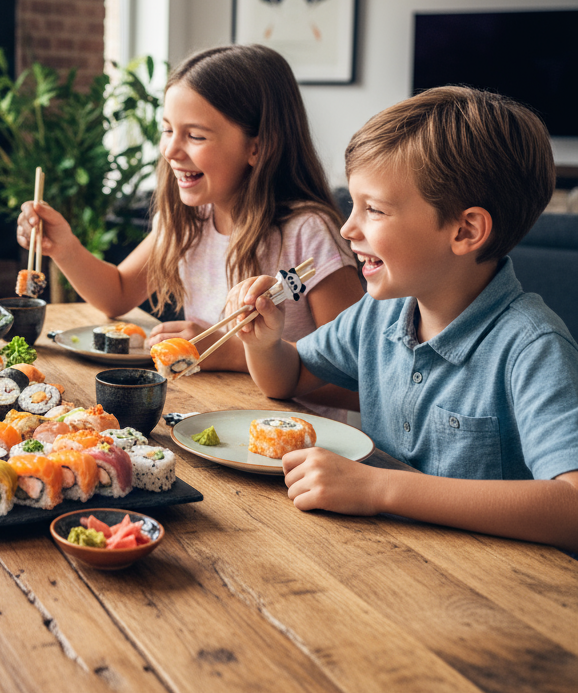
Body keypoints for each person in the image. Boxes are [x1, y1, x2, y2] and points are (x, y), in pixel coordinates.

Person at [235, 87, 578, 550]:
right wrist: (264, 343)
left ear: (465, 230)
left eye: (374, 210)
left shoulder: (533, 347)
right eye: (353, 205)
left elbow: (572, 506)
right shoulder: (381, 312)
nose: (347, 228)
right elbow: (289, 377)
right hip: (386, 558)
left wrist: (379, 488)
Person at [17, 44, 364, 414]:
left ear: (257, 147)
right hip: (211, 414)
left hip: (298, 438)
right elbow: (116, 295)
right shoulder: (190, 219)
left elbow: (359, 380)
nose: (170, 150)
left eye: (195, 136)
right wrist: (65, 247)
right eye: (167, 130)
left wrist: (234, 353)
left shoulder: (308, 233)